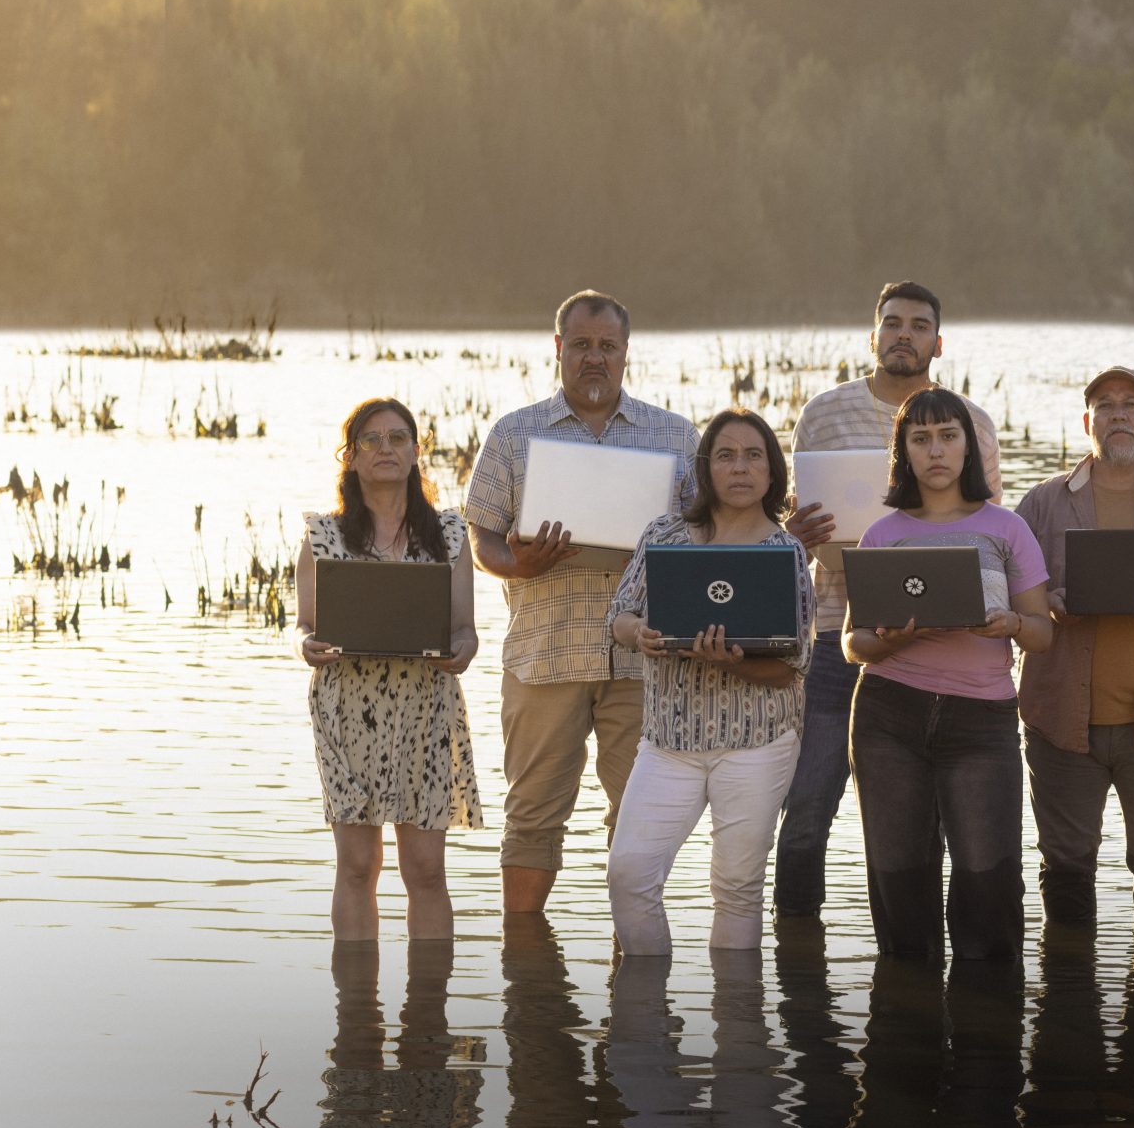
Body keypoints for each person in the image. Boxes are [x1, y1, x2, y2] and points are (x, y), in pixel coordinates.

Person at [463, 290, 697, 917]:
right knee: (533, 817)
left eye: (608, 346)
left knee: (640, 820)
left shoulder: (674, 434)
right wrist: (517, 562)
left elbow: (709, 532)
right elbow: (480, 531)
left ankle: (633, 971)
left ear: (626, 353)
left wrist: (663, 563)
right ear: (559, 349)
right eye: (583, 345)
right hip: (545, 654)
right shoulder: (514, 434)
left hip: (644, 663)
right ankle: (528, 975)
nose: (595, 357)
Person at [776, 281, 1003, 923]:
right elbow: (799, 519)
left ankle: (916, 959)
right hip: (830, 638)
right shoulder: (823, 412)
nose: (905, 334)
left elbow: (987, 531)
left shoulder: (971, 423)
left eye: (919, 325)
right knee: (806, 815)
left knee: (921, 826)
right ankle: (798, 969)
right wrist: (795, 534)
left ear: (938, 341)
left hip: (932, 644)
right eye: (893, 323)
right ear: (873, 336)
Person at [847, 388, 1051, 963]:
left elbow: (1043, 632)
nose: (935, 450)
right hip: (889, 717)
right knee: (899, 885)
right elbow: (852, 644)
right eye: (920, 439)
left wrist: (1010, 621)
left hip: (980, 722)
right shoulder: (882, 534)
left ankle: (988, 1032)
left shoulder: (1007, 529)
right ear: (904, 453)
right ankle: (907, 1025)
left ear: (969, 448)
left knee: (988, 885)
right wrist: (895, 639)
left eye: (948, 436)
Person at [603, 408, 813, 955]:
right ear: (705, 469)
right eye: (725, 455)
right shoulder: (665, 534)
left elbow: (791, 668)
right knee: (628, 875)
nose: (739, 468)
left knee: (737, 890)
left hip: (757, 745)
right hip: (667, 743)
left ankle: (738, 1029)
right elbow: (619, 616)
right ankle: (646, 1021)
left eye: (753, 456)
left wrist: (730, 662)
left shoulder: (786, 552)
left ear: (772, 474)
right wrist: (640, 634)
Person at [1012, 366, 1134, 926]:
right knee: (1066, 871)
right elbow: (1007, 592)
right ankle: (1069, 997)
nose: (1118, 413)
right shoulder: (1042, 505)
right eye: (1104, 405)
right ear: (1086, 422)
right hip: (1061, 723)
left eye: (1131, 403)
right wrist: (1049, 599)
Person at [295, 396, 482, 942]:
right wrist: (306, 646)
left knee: (424, 871)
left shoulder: (450, 533)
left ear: (416, 452)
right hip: (345, 707)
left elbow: (465, 630)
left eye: (399, 438)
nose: (385, 449)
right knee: (357, 866)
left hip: (425, 706)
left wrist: (464, 651)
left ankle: (427, 1019)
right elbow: (303, 625)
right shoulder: (322, 537)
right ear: (349, 457)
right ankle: (356, 1016)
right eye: (371, 440)